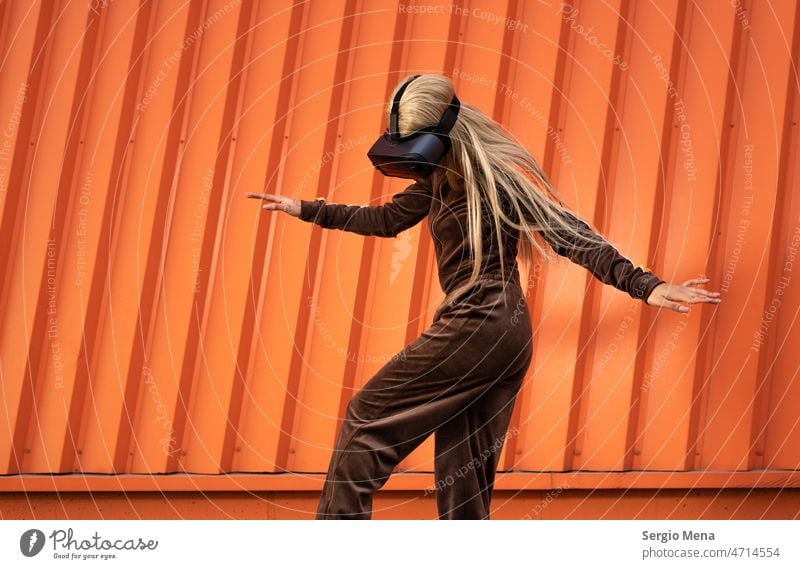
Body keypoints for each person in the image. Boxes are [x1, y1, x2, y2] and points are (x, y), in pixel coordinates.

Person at [246, 74, 722, 520]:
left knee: (366, 418)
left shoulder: (497, 180)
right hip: (502, 331)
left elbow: (568, 233)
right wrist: (308, 209)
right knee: (463, 473)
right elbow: (386, 220)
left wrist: (646, 285)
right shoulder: (436, 183)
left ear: (444, 131)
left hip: (481, 319)